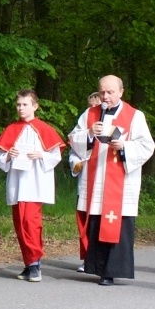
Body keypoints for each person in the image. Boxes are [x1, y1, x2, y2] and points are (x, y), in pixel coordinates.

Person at [68, 76, 155, 286]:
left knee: (118, 225)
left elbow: (147, 146)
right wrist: (89, 134)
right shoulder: (90, 114)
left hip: (121, 182)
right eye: (102, 93)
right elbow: (73, 138)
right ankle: (98, 268)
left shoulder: (135, 116)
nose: (105, 97)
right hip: (96, 179)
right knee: (97, 224)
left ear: (121, 92)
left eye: (110, 92)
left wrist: (124, 146)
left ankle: (113, 269)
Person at [0, 90, 63, 282]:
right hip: (17, 184)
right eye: (18, 105)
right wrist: (9, 155)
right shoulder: (11, 129)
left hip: (35, 183)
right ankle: (29, 262)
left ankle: (35, 264)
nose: (21, 108)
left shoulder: (45, 129)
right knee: (20, 224)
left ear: (35, 106)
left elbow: (55, 156)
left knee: (30, 223)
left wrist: (41, 155)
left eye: (25, 105)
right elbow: (0, 157)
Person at [68, 90, 101, 270]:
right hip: (86, 179)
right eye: (89, 106)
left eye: (95, 105)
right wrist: (76, 163)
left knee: (99, 221)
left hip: (104, 180)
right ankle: (87, 256)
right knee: (84, 218)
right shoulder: (84, 120)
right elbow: (73, 145)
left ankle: (98, 257)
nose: (92, 109)